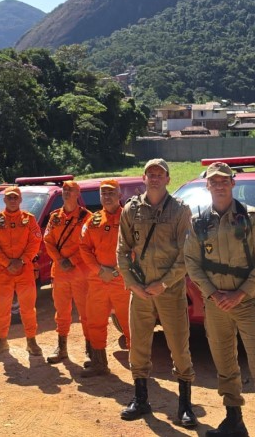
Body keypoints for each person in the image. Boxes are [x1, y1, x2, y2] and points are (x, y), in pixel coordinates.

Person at [184, 162, 255, 437]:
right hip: (216, 305)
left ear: (232, 183)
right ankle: (234, 421)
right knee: (225, 366)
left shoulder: (252, 218)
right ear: (207, 185)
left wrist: (240, 293)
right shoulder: (199, 221)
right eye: (214, 181)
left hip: (248, 302)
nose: (219, 185)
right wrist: (213, 293)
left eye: (224, 181)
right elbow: (192, 261)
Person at [117, 158, 197, 426]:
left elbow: (187, 254)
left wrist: (163, 283)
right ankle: (140, 399)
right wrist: (133, 284)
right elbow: (122, 250)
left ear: (168, 179)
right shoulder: (131, 210)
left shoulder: (180, 210)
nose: (154, 178)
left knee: (179, 347)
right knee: (138, 346)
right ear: (143, 178)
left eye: (159, 174)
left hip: (170, 291)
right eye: (150, 174)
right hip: (140, 290)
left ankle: (185, 405)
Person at [79, 179, 131, 378]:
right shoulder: (92, 221)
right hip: (98, 280)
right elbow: (84, 248)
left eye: (111, 193)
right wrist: (99, 270)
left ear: (119, 195)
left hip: (122, 280)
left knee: (130, 323)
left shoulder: (128, 218)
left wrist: (117, 271)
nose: (107, 197)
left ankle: (139, 363)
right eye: (104, 193)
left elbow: (136, 248)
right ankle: (99, 363)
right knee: (95, 321)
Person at [0, 186, 42, 358]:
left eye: (15, 197)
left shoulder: (29, 219)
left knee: (28, 308)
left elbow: (35, 242)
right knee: (1, 309)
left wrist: (22, 260)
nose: (12, 200)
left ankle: (31, 341)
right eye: (9, 197)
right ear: (4, 200)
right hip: (3, 271)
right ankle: (1, 341)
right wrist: (7, 262)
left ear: (20, 200)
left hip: (25, 270)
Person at [42, 180, 92, 364]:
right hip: (60, 272)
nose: (66, 192)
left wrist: (71, 260)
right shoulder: (55, 216)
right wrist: (59, 260)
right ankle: (61, 348)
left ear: (78, 193)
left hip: (81, 272)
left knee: (86, 313)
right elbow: (48, 241)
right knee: (61, 312)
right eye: (64, 190)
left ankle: (90, 350)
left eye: (70, 190)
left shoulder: (87, 217)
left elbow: (89, 245)